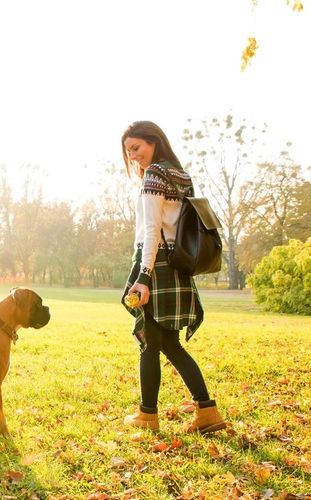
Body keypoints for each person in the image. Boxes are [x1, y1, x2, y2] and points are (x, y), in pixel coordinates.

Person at [119, 120, 226, 434]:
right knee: (170, 345)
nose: (134, 157)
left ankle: (147, 415)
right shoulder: (181, 174)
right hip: (175, 264)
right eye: (128, 153)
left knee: (150, 344)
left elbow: (152, 230)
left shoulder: (154, 175)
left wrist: (144, 275)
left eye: (136, 148)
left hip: (155, 263)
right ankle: (207, 411)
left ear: (153, 141)